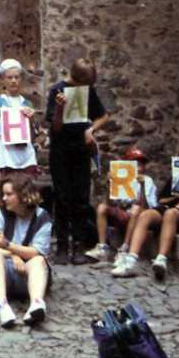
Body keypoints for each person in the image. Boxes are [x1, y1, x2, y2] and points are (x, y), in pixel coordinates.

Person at [112, 141, 179, 280]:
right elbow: (161, 200)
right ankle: (131, 261)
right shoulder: (176, 178)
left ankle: (161, 259)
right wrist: (176, 196)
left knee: (170, 213)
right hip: (170, 212)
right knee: (146, 215)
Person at [45, 57, 109, 265]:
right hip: (60, 151)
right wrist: (60, 109)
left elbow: (103, 116)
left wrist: (91, 129)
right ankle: (62, 246)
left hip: (81, 151)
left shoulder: (87, 91)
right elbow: (54, 127)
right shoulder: (57, 90)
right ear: (77, 77)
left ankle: (79, 245)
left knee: (81, 198)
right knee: (62, 198)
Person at [0, 175, 53, 328]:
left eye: (9, 194)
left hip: (28, 275)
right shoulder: (0, 214)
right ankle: (2, 305)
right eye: (3, 194)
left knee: (39, 260)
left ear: (23, 195)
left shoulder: (42, 217)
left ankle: (36, 304)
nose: (4, 198)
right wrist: (14, 255)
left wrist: (8, 246)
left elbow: (36, 252)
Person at [86, 146, 158, 262]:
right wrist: (110, 185)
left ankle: (125, 248)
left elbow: (149, 208)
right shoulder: (122, 179)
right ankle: (102, 247)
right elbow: (111, 203)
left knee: (135, 208)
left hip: (139, 215)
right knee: (101, 207)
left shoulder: (147, 180)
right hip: (124, 214)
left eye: (141, 164)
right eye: (135, 164)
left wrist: (142, 186)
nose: (139, 168)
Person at [0, 58, 39, 176]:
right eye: (9, 77)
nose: (13, 81)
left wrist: (31, 120)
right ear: (3, 80)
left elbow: (32, 136)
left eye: (17, 77)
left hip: (26, 157)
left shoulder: (27, 104)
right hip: (6, 158)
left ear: (21, 79)